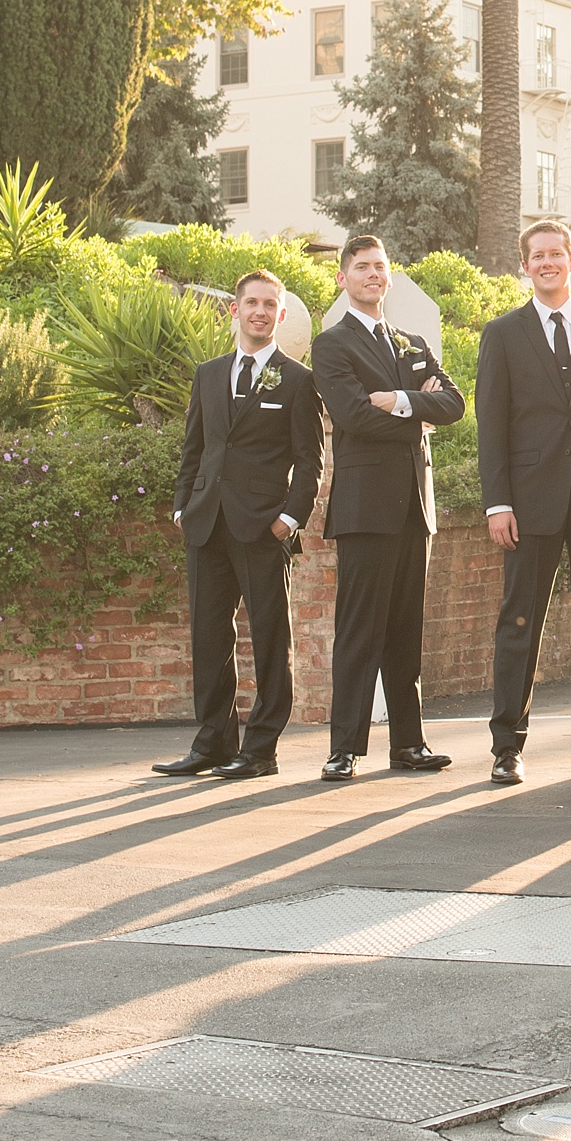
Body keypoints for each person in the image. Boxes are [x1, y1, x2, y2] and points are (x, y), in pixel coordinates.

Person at [155, 269, 324, 782]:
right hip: (206, 525)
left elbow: (310, 459)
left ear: (281, 314)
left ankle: (261, 749)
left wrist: (289, 519)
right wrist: (183, 506)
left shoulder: (298, 380)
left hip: (263, 528)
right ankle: (212, 743)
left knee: (272, 638)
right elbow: (195, 448)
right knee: (209, 638)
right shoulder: (208, 374)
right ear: (235, 310)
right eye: (251, 302)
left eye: (269, 304)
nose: (259, 311)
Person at [311, 232, 466, 784]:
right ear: (343, 278)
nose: (373, 275)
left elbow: (453, 405)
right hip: (364, 508)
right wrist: (415, 416)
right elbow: (353, 417)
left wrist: (402, 401)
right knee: (359, 629)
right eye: (362, 267)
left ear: (390, 276)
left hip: (413, 509)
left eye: (381, 267)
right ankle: (344, 748)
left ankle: (409, 744)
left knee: (406, 629)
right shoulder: (331, 346)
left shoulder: (413, 340)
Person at [475, 219, 571, 790]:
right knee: (519, 621)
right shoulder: (502, 334)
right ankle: (508, 745)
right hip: (528, 502)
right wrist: (497, 502)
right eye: (538, 256)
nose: (548, 263)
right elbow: (492, 425)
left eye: (557, 254)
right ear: (524, 266)